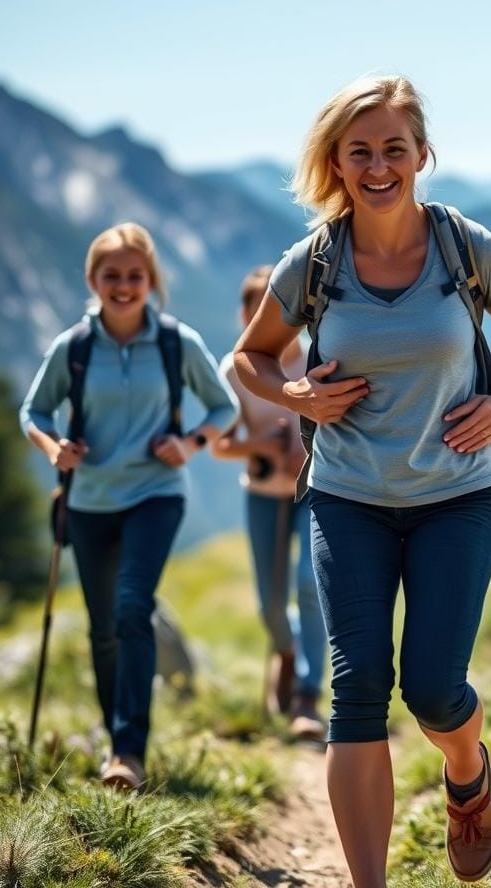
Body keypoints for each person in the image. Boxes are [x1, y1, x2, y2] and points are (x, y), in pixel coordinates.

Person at [232, 74, 491, 887]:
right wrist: (295, 393)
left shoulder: (464, 248)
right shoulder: (313, 263)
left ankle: (467, 772)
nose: (379, 166)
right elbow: (249, 356)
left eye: (394, 149)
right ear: (336, 164)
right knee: (358, 689)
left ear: (422, 154)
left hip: (456, 498)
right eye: (360, 152)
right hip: (346, 500)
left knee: (436, 690)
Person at [20, 222, 238, 790]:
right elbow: (34, 413)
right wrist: (54, 449)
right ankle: (118, 739)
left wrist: (188, 443)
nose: (123, 285)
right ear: (93, 280)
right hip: (89, 500)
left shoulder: (175, 343)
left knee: (131, 607)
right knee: (103, 630)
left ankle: (127, 753)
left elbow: (223, 405)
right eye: (111, 275)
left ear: (151, 281)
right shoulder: (74, 348)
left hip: (155, 495)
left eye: (134, 276)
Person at [213, 265, 327, 739]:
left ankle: (306, 693)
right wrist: (260, 446)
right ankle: (286, 651)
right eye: (256, 306)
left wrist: (308, 446)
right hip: (263, 494)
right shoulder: (232, 371)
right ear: (244, 314)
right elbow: (220, 444)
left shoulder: (319, 358)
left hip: (316, 489)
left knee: (309, 582)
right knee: (270, 602)